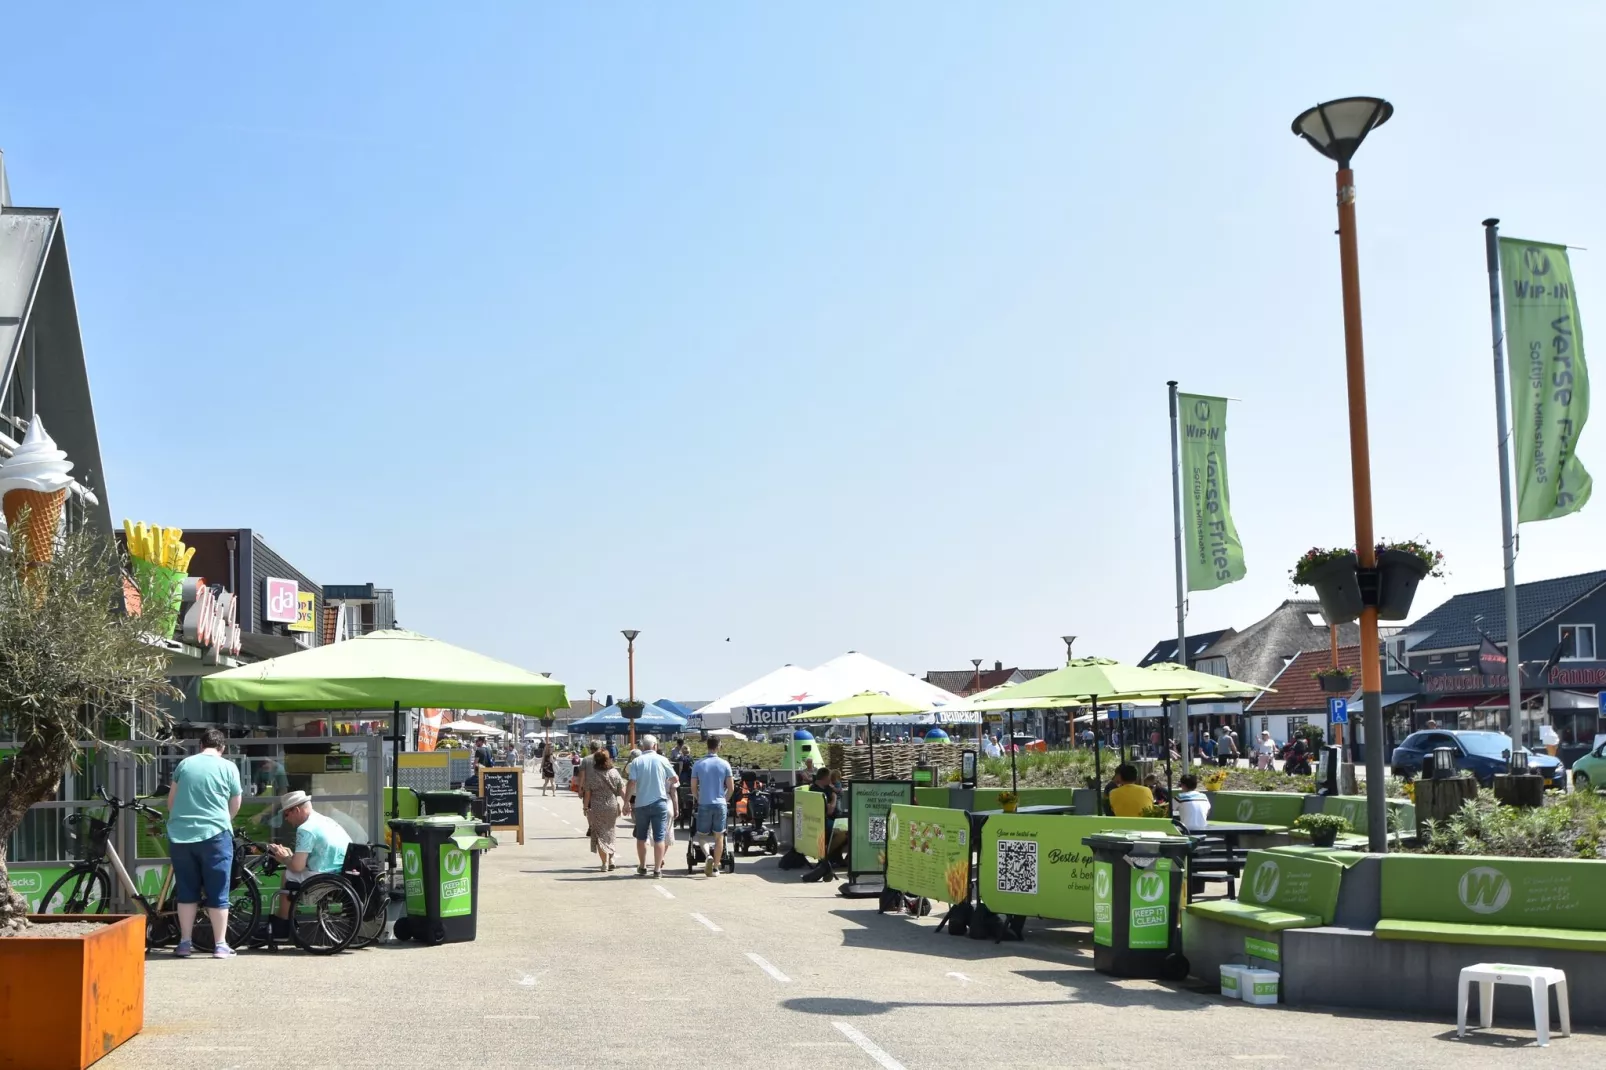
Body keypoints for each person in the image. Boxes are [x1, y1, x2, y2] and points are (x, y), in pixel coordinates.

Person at [166, 728, 243, 959]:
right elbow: (236, 802)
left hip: (181, 836)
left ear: (201, 745)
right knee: (218, 891)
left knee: (186, 891)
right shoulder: (228, 767)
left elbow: (171, 801)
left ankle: (184, 943)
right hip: (215, 835)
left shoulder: (185, 765)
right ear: (222, 748)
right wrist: (223, 822)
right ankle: (220, 945)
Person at [265, 790, 353, 936]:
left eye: (286, 814)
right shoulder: (326, 820)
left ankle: (282, 926)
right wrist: (291, 856)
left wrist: (283, 858)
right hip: (340, 873)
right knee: (292, 870)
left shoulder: (305, 829)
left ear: (297, 810)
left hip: (325, 877)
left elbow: (297, 867)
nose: (286, 819)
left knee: (288, 874)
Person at [624, 734, 678, 877]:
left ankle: (642, 866)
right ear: (655, 746)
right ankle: (657, 869)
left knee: (641, 837)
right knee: (659, 837)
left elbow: (632, 782)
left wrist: (626, 802)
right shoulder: (663, 760)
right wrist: (663, 779)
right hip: (659, 802)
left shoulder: (637, 761)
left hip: (641, 803)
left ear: (642, 747)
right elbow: (675, 778)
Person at [690, 737, 735, 876]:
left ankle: (707, 856)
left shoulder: (698, 764)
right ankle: (715, 867)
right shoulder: (725, 764)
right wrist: (725, 799)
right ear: (719, 746)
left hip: (704, 803)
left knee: (702, 836)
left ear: (707, 746)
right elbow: (731, 787)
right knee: (719, 836)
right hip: (720, 804)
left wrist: (699, 798)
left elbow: (693, 787)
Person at [582, 748, 626, 871]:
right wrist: (627, 803)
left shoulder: (592, 775)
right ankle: (612, 858)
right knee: (610, 831)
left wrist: (585, 807)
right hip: (611, 805)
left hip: (597, 806)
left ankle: (604, 863)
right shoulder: (614, 773)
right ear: (608, 759)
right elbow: (622, 789)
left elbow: (587, 794)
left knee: (600, 834)